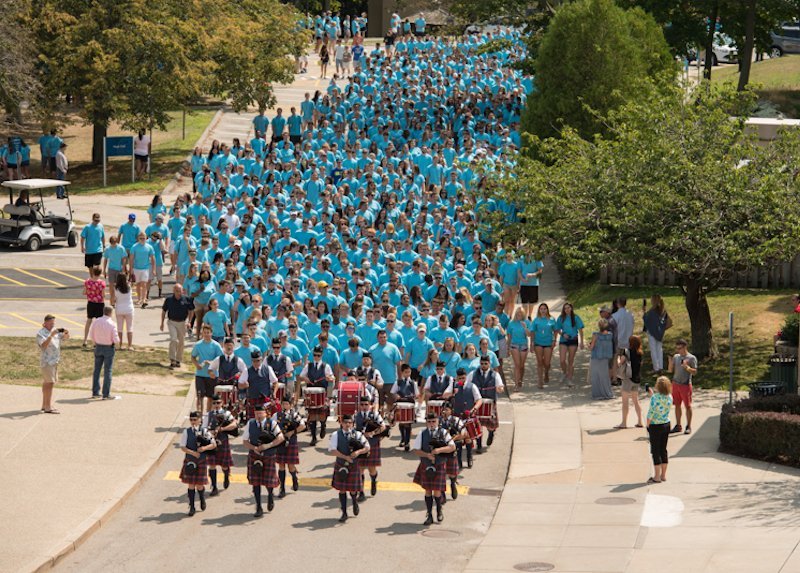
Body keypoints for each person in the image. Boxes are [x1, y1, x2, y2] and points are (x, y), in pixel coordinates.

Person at [413, 413, 456, 525]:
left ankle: (439, 511)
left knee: (437, 491)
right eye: (429, 422)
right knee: (428, 491)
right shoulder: (422, 433)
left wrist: (439, 450)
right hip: (426, 465)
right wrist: (427, 455)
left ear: (437, 421)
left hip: (439, 465)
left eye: (433, 421)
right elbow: (416, 450)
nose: (431, 424)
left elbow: (452, 447)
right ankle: (429, 515)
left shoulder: (443, 432)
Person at [242, 405, 285, 517]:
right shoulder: (250, 424)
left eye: (260, 413)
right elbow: (245, 441)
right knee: (255, 482)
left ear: (265, 413)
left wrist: (267, 446)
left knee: (269, 481)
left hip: (268, 455)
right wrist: (254, 448)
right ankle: (258, 507)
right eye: (256, 413)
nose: (258, 415)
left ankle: (270, 496)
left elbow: (280, 438)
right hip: (254, 456)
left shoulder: (272, 423)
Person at [328, 414, 370, 522]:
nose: (347, 425)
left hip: (354, 465)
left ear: (352, 424)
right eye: (345, 422)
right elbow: (332, 450)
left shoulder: (358, 434)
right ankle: (344, 513)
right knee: (342, 490)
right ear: (341, 423)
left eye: (350, 423)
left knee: (352, 489)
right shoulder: (335, 435)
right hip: (341, 464)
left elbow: (367, 447)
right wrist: (345, 457)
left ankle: (354, 502)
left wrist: (358, 452)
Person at [179, 411, 217, 516]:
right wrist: (193, 453)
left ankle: (201, 498)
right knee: (191, 484)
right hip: (190, 460)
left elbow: (213, 444)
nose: (193, 422)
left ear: (200, 420)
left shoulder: (205, 431)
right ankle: (191, 506)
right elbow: (182, 447)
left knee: (199, 485)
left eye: (195, 420)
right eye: (191, 420)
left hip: (201, 461)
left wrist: (204, 448)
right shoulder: (186, 432)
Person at [446, 368, 482, 469]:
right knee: (458, 440)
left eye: (463, 377)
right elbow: (445, 395)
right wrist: (452, 392)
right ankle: (459, 461)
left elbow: (479, 399)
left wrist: (474, 409)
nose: (462, 379)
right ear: (457, 377)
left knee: (468, 439)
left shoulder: (472, 386)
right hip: (457, 418)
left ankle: (469, 456)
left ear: (465, 376)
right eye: (459, 378)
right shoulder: (454, 385)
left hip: (468, 416)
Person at [298, 347, 334, 445]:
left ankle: (323, 425)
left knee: (322, 414)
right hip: (311, 394)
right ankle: (313, 437)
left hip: (323, 393)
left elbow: (332, 377)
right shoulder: (308, 366)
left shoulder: (326, 366)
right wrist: (305, 379)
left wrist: (329, 378)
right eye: (315, 355)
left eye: (318, 355)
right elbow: (301, 376)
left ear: (321, 355)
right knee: (312, 416)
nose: (316, 357)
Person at [465, 355, 504, 448]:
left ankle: (491, 433)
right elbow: (466, 384)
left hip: (490, 403)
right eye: (482, 363)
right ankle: (479, 445)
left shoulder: (495, 374)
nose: (483, 365)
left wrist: (499, 389)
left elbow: (500, 387)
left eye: (486, 363)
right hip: (477, 402)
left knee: (491, 425)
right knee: (477, 424)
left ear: (489, 364)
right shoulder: (473, 374)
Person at [203, 394, 238, 496]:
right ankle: (214, 486)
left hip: (223, 442)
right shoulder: (208, 415)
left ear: (222, 403)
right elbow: (204, 428)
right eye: (214, 403)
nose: (216, 405)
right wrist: (210, 433)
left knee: (224, 465)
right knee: (212, 465)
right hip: (212, 443)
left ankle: (226, 475)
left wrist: (223, 429)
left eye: (218, 402)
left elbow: (234, 424)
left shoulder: (227, 413)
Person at [354, 396, 387, 499]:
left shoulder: (375, 415)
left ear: (370, 405)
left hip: (372, 444)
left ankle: (373, 480)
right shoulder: (356, 416)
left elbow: (383, 427)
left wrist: (373, 433)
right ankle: (361, 492)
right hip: (360, 445)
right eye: (362, 405)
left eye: (366, 405)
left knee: (372, 469)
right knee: (360, 469)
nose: (364, 407)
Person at [273, 396, 306, 498]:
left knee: (291, 466)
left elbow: (303, 426)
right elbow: (272, 426)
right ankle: (282, 488)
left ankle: (294, 478)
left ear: (291, 405)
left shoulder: (295, 415)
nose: (285, 406)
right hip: (280, 441)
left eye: (287, 404)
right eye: (283, 404)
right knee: (281, 465)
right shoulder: (276, 415)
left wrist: (292, 432)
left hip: (291, 441)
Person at [37, 314, 69, 414]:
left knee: (47, 382)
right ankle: (48, 407)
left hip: (54, 361)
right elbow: (43, 346)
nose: (52, 325)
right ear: (45, 323)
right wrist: (51, 335)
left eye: (53, 323)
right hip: (47, 362)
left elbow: (65, 338)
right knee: (50, 383)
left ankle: (44, 405)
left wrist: (66, 332)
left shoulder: (54, 330)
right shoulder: (40, 333)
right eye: (50, 323)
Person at [191, 325, 224, 413]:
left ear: (211, 333)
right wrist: (197, 364)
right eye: (204, 333)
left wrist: (212, 363)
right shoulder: (198, 345)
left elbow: (221, 359)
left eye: (208, 333)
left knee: (210, 397)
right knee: (200, 396)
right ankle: (200, 415)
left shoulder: (216, 345)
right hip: (200, 374)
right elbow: (193, 357)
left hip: (212, 375)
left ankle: (208, 414)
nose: (206, 334)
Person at [88, 306, 119, 399]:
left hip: (98, 346)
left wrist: (95, 342)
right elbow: (116, 339)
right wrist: (116, 342)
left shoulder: (96, 321)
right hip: (108, 347)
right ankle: (106, 393)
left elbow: (91, 334)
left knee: (97, 370)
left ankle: (95, 392)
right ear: (110, 313)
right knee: (108, 370)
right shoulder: (112, 323)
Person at [160, 284, 194, 368]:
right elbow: (164, 311)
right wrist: (162, 323)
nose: (179, 293)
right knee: (173, 339)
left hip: (182, 323)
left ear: (182, 291)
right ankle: (172, 359)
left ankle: (178, 360)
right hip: (171, 322)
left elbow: (191, 311)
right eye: (177, 291)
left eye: (180, 291)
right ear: (173, 291)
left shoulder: (187, 299)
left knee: (181, 342)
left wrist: (189, 321)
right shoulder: (169, 299)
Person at [646, 376, 673, 483]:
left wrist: (647, 425)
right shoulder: (670, 397)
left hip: (655, 426)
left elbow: (651, 413)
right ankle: (663, 475)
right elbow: (661, 404)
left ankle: (656, 476)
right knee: (663, 449)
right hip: (666, 424)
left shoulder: (655, 398)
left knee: (655, 451)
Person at [668, 339, 697, 435]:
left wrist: (687, 368)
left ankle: (688, 426)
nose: (678, 350)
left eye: (680, 348)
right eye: (677, 348)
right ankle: (678, 425)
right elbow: (670, 370)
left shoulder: (691, 358)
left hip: (685, 385)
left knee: (687, 406)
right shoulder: (676, 357)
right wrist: (670, 363)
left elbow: (695, 372)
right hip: (675, 384)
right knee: (677, 405)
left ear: (685, 347)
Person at [438, 402, 465, 500]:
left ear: (451, 411)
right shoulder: (438, 421)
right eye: (443, 409)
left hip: (453, 449)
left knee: (452, 473)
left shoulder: (456, 420)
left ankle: (453, 483)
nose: (444, 411)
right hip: (440, 450)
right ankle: (442, 494)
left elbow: (463, 433)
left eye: (447, 409)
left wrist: (452, 440)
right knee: (440, 472)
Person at [614, 335, 643, 429]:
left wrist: (618, 358)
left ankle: (624, 423)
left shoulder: (627, 352)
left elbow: (620, 363)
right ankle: (640, 421)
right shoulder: (640, 353)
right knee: (636, 401)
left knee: (625, 402)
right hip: (637, 379)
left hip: (628, 379)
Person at [391, 363, 419, 451]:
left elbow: (417, 394)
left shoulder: (413, 383)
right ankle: (403, 438)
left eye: (409, 372)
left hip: (409, 404)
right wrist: (396, 396)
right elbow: (393, 392)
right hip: (400, 404)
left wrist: (414, 396)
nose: (408, 374)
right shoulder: (398, 382)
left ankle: (407, 442)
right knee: (401, 423)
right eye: (406, 372)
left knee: (408, 423)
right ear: (402, 372)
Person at [555, 302, 584, 387]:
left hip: (573, 340)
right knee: (562, 360)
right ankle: (564, 372)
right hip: (563, 340)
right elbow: (557, 329)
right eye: (565, 308)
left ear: (571, 308)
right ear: (563, 310)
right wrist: (563, 334)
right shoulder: (561, 318)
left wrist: (581, 342)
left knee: (571, 360)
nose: (567, 309)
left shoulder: (576, 318)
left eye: (568, 308)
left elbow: (581, 330)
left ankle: (570, 379)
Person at [642, 294, 672, 372]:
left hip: (652, 332)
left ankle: (656, 368)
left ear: (653, 301)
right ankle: (660, 367)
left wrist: (644, 312)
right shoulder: (662, 310)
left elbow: (646, 320)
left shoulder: (652, 311)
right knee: (659, 349)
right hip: (659, 332)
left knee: (653, 350)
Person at [530, 303, 557, 389]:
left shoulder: (552, 319)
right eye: (541, 309)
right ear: (539, 310)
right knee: (539, 362)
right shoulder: (536, 320)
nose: (543, 310)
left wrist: (554, 340)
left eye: (544, 309)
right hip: (538, 343)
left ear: (547, 310)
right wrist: (532, 343)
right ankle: (540, 381)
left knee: (547, 362)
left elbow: (555, 330)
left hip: (548, 343)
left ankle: (546, 372)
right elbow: (532, 332)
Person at [589, 318, 615, 400]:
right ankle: (607, 392)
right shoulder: (610, 335)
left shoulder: (595, 335)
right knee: (604, 376)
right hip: (605, 358)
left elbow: (591, 347)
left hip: (596, 357)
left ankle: (597, 394)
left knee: (596, 376)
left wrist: (588, 346)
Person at [129, 232, 156, 308]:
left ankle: (144, 299)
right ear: (138, 238)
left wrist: (153, 269)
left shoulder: (149, 247)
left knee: (144, 284)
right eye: (141, 238)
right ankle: (139, 299)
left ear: (146, 238)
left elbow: (153, 259)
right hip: (136, 268)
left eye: (144, 238)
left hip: (145, 269)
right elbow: (131, 259)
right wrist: (130, 269)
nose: (142, 240)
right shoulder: (134, 247)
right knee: (137, 284)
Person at [82, 266, 106, 347]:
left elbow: (84, 292)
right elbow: (103, 295)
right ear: (100, 273)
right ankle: (96, 341)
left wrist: (90, 292)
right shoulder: (101, 283)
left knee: (89, 320)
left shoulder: (87, 282)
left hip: (91, 303)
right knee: (98, 323)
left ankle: (85, 339)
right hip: (99, 303)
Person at [102, 236, 127, 305]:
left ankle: (117, 298)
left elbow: (124, 258)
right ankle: (112, 299)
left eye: (115, 243)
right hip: (111, 269)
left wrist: (123, 268)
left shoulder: (121, 248)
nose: (113, 245)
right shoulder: (107, 249)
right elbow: (106, 259)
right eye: (112, 243)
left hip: (119, 269)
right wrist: (104, 269)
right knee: (111, 284)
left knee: (118, 285)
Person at [80, 213, 106, 278]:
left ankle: (97, 278)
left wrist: (104, 245)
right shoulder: (87, 227)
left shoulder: (101, 226)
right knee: (90, 266)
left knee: (96, 265)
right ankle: (92, 278)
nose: (97, 222)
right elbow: (82, 237)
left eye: (98, 220)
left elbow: (103, 237)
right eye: (95, 220)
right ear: (92, 219)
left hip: (98, 250)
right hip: (89, 250)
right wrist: (82, 247)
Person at [113, 273, 134, 350]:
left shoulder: (116, 288)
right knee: (130, 328)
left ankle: (120, 345)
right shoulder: (129, 287)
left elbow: (114, 299)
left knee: (119, 328)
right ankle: (130, 345)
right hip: (129, 309)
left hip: (119, 309)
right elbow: (130, 282)